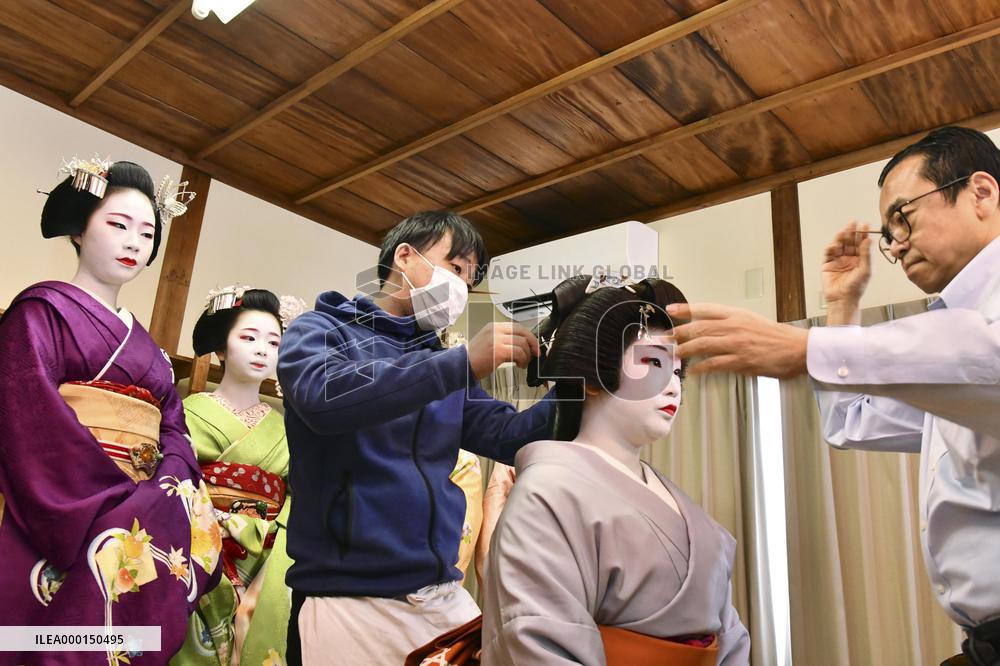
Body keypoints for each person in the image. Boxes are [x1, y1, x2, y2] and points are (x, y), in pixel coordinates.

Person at [667, 126, 1000, 663]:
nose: (894, 243)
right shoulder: (948, 342)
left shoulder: (969, 335)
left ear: (980, 192)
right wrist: (843, 306)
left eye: (903, 216)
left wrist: (805, 348)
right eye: (886, 230)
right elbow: (853, 422)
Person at [276, 211, 555, 665]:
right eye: (455, 266)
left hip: (442, 595)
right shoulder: (321, 331)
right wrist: (461, 363)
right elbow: (323, 399)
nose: (462, 286)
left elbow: (511, 435)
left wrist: (577, 383)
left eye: (470, 277)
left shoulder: (443, 366)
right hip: (345, 599)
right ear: (405, 256)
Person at [0, 158, 221, 665]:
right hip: (67, 507)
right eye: (117, 225)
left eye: (147, 233)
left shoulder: (151, 350)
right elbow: (27, 422)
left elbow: (174, 430)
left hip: (143, 511)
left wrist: (159, 493)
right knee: (40, 639)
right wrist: (115, 502)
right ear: (79, 228)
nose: (134, 243)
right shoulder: (40, 312)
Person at [482, 275, 750, 665]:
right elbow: (538, 643)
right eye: (653, 362)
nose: (674, 386)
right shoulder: (545, 495)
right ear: (590, 378)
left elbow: (730, 640)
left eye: (678, 372)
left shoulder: (671, 497)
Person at [173, 287, 299, 666]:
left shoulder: (288, 429)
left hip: (266, 557)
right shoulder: (187, 412)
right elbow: (170, 484)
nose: (262, 350)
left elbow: (298, 497)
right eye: (248, 338)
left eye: (273, 342)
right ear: (222, 348)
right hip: (197, 546)